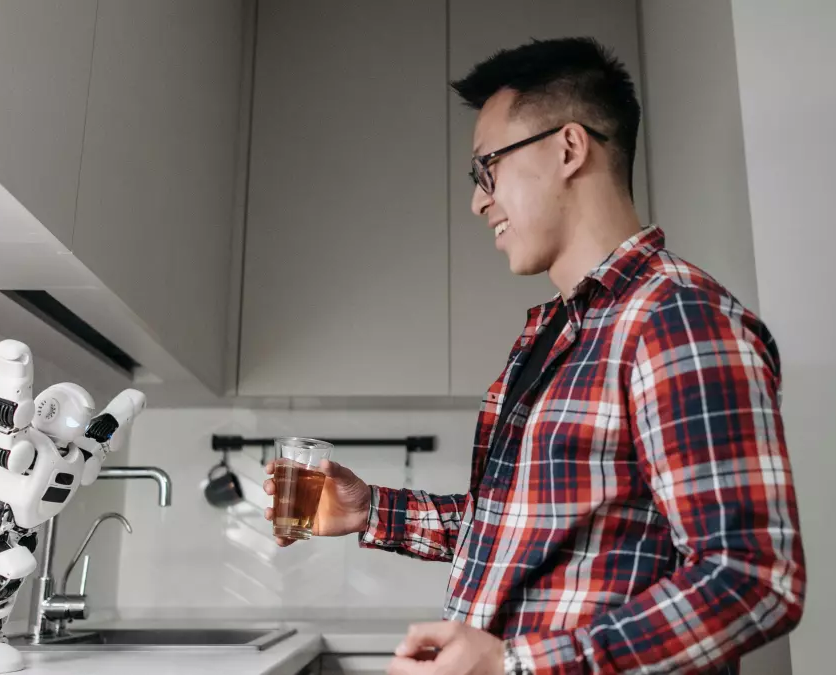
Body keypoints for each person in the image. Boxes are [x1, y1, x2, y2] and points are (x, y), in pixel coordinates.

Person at [263, 37, 804, 675]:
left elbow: (751, 576)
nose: (477, 200)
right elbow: (522, 530)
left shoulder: (675, 316)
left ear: (568, 148)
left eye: (485, 168)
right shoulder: (561, 330)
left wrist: (517, 664)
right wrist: (373, 510)